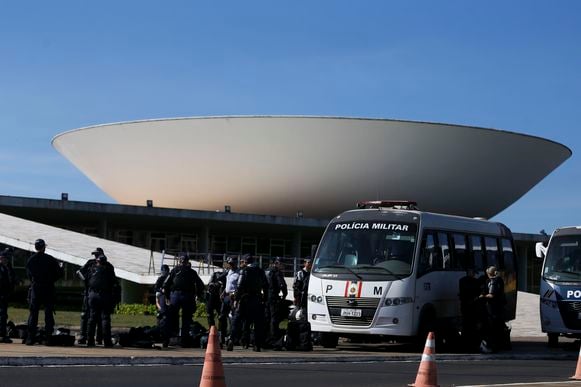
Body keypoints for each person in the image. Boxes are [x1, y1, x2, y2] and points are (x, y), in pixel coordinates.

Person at [25, 239, 64, 345]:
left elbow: (29, 275)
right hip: (48, 288)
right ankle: (48, 338)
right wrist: (50, 280)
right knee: (48, 314)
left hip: (36, 288)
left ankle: (30, 338)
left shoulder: (31, 260)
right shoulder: (50, 259)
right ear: (44, 247)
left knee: (33, 314)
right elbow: (59, 274)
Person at [227, 254, 268, 352]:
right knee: (258, 323)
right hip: (257, 299)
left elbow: (240, 286)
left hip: (245, 299)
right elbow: (266, 286)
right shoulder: (260, 271)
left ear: (245, 262)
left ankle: (231, 339)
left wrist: (236, 299)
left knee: (237, 320)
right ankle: (257, 344)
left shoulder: (244, 271)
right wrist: (264, 299)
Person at [162, 253, 205, 347]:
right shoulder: (192, 272)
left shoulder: (174, 270)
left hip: (175, 296)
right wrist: (198, 295)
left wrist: (167, 297)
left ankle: (170, 338)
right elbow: (200, 285)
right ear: (187, 261)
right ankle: (184, 340)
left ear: (179, 261)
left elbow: (166, 284)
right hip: (188, 296)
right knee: (186, 319)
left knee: (172, 318)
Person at [85, 254, 119, 347]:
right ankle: (107, 342)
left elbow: (86, 280)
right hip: (104, 295)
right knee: (105, 318)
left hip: (92, 295)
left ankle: (90, 341)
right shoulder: (108, 270)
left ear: (97, 261)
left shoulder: (92, 269)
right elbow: (114, 283)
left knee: (92, 318)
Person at [76, 248, 103, 345]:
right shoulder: (90, 263)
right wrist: (86, 280)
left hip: (100, 294)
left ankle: (99, 338)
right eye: (95, 255)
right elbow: (80, 272)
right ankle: (83, 336)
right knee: (85, 315)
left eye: (97, 255)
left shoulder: (106, 265)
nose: (96, 257)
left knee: (99, 317)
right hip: (88, 292)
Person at [479, 265, 506, 353]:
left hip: (492, 308)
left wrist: (483, 296)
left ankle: (493, 346)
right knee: (498, 327)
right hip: (499, 308)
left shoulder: (494, 281)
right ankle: (499, 345)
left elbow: (491, 294)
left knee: (492, 327)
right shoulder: (500, 280)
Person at [458, 268, 483, 352]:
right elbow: (478, 292)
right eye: (474, 273)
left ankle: (464, 344)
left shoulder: (461, 280)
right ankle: (472, 345)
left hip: (464, 305)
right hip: (473, 306)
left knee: (465, 325)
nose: (474, 275)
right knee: (472, 326)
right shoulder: (475, 282)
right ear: (471, 273)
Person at [265, 257, 288, 342]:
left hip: (266, 296)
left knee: (267, 317)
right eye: (281, 264)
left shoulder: (266, 271)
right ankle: (273, 338)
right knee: (274, 318)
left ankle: (265, 338)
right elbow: (282, 285)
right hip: (273, 296)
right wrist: (284, 294)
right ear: (277, 263)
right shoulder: (277, 272)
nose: (282, 266)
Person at [220, 256, 240, 344]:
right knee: (222, 316)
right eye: (229, 264)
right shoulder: (229, 272)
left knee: (232, 318)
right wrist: (224, 292)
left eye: (232, 264)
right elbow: (228, 284)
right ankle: (223, 335)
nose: (230, 265)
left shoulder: (239, 273)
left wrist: (235, 295)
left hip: (233, 297)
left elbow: (239, 286)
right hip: (226, 296)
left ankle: (232, 337)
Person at [0, 249, 16, 343]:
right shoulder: (3, 268)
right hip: (1, 294)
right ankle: (2, 334)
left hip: (4, 294)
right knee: (2, 315)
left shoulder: (6, 267)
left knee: (3, 315)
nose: (7, 261)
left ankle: (2, 333)